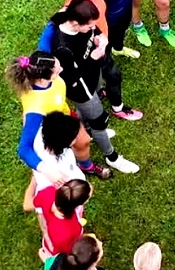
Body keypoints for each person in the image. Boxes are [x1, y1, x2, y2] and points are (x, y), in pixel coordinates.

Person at [38, 0, 143, 122]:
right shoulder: (74, 9)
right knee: (113, 75)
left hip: (99, 41)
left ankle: (99, 91)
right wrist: (46, 61)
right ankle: (118, 109)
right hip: (91, 49)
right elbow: (51, 32)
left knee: (99, 76)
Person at [48, 0, 141, 174]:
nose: (92, 28)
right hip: (82, 90)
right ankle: (112, 157)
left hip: (92, 76)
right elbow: (74, 78)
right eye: (89, 26)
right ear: (75, 24)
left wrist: (101, 37)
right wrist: (94, 57)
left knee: (90, 117)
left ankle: (89, 131)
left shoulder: (80, 22)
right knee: (99, 121)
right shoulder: (63, 48)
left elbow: (94, 31)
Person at [6, 51, 111, 200]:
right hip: (56, 134)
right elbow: (24, 148)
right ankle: (87, 166)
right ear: (43, 79)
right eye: (57, 70)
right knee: (83, 141)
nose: (61, 69)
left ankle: (85, 163)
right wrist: (47, 170)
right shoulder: (34, 109)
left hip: (66, 118)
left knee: (85, 140)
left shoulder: (47, 74)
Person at [34, 179, 91, 260]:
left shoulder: (48, 191)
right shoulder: (69, 230)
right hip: (59, 250)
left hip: (51, 238)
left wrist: (45, 232)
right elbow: (63, 254)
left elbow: (36, 203)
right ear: (78, 205)